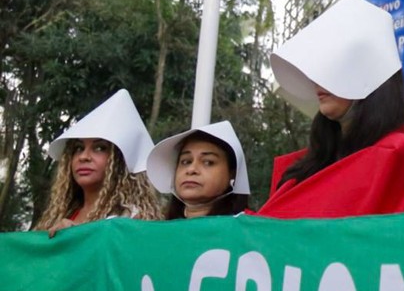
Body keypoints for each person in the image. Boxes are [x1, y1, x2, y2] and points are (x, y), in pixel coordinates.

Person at [256, 0, 404, 219]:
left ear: (369, 73)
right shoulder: (305, 165)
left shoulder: (399, 155)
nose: (317, 81)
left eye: (334, 66)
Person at [36, 89, 163, 236]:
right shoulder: (58, 216)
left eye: (100, 148)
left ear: (120, 162)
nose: (84, 157)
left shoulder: (134, 218)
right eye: (78, 148)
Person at [146, 120, 250, 219]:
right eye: (186, 162)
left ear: (232, 174)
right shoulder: (156, 231)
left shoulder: (250, 232)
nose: (191, 170)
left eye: (208, 162)